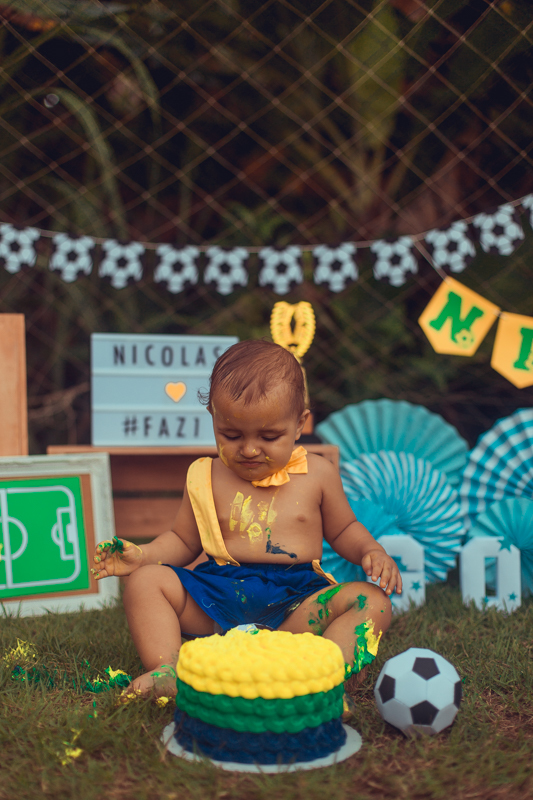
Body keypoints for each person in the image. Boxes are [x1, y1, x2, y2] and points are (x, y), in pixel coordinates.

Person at [92, 340, 402, 697]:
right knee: (146, 583)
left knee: (372, 601)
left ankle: (325, 672)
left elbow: (344, 528)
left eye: (270, 436)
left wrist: (370, 550)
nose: (250, 449)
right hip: (218, 595)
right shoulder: (205, 475)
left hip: (295, 604)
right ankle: (171, 671)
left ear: (299, 424)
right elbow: (182, 541)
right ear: (213, 418)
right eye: (231, 435)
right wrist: (143, 557)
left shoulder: (318, 473)